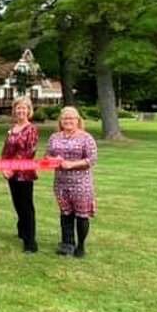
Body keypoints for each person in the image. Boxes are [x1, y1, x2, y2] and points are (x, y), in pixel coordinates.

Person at [46, 106, 98, 258]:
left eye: (71, 118)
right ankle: (67, 244)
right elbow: (46, 157)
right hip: (61, 183)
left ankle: (80, 246)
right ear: (60, 121)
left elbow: (92, 159)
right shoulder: (54, 137)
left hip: (81, 183)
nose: (68, 121)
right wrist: (53, 160)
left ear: (77, 121)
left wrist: (71, 164)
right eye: (65, 118)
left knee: (82, 215)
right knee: (66, 214)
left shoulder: (86, 137)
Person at [1, 96, 39, 253]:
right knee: (17, 204)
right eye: (18, 108)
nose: (21, 111)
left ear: (29, 110)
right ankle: (22, 232)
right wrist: (4, 167)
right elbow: (5, 151)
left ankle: (30, 242)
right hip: (11, 174)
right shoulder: (12, 129)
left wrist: (12, 168)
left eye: (24, 108)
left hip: (24, 173)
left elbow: (28, 152)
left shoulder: (32, 129)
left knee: (26, 206)